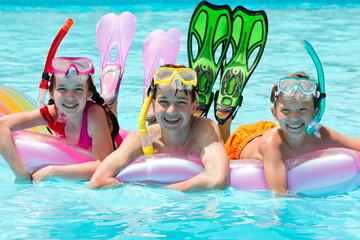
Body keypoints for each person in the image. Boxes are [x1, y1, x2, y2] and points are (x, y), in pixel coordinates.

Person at [90, 64, 229, 192]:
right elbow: (98, 181)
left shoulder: (204, 130)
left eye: (181, 102)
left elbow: (218, 180)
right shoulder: (143, 139)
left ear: (194, 106)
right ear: (152, 105)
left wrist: (162, 192)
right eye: (163, 102)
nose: (171, 111)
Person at [224, 72, 360, 194]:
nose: (294, 117)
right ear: (274, 113)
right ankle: (224, 121)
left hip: (280, 129)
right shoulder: (272, 144)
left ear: (316, 112)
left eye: (302, 109)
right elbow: (278, 193)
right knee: (222, 149)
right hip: (246, 140)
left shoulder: (321, 134)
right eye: (286, 110)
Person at [0, 57, 119, 183]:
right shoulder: (53, 114)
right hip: (80, 151)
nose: (70, 97)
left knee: (109, 117)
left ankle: (111, 103)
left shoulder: (94, 114)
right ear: (51, 93)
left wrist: (52, 171)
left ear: (89, 94)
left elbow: (104, 165)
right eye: (62, 89)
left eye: (78, 89)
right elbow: (3, 125)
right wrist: (21, 174)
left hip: (116, 142)